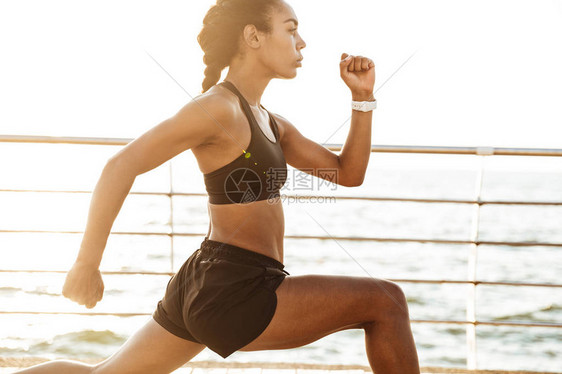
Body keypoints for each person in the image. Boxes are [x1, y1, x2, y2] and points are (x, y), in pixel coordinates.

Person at [15, 0, 421, 373]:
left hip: (210, 279)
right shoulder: (217, 109)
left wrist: (362, 98)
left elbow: (347, 172)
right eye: (290, 29)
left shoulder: (270, 121)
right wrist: (87, 264)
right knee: (386, 303)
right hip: (233, 289)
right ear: (253, 36)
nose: (302, 42)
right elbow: (119, 167)